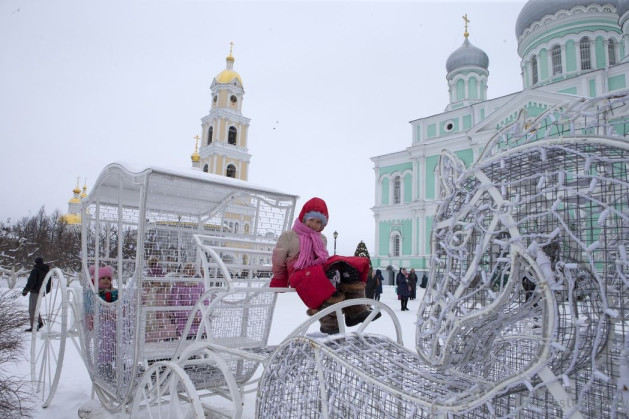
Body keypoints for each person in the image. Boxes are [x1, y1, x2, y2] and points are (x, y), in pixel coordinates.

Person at [271, 197, 379, 334]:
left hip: (317, 271)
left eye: (318, 222)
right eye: (311, 220)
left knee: (346, 265)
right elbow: (279, 259)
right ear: (304, 218)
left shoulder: (321, 238)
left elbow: (323, 259)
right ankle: (329, 322)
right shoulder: (289, 236)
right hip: (299, 272)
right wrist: (279, 279)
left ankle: (355, 312)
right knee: (332, 274)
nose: (314, 225)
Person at [170, 263, 206, 337]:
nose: (190, 272)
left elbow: (205, 302)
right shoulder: (177, 286)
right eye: (187, 269)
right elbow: (176, 306)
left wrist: (198, 315)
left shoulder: (200, 285)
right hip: (183, 322)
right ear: (183, 271)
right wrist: (191, 316)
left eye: (192, 269)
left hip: (199, 321)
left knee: (203, 337)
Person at [22, 257, 49, 332]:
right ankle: (39, 322)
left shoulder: (35, 270)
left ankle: (33, 326)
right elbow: (50, 283)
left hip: (35, 292)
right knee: (35, 308)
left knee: (32, 309)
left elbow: (31, 282)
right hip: (42, 292)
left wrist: (25, 290)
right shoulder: (47, 271)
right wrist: (45, 291)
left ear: (36, 262)